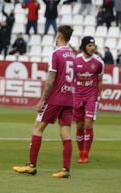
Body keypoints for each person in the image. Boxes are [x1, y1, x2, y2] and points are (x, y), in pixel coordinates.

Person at [13, 25, 76, 178]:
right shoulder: (73, 54)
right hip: (69, 98)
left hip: (56, 98)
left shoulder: (56, 54)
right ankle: (65, 169)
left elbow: (50, 81)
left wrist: (42, 100)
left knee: (37, 128)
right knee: (65, 132)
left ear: (59, 35)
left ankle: (31, 165)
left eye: (56, 35)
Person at [73, 36, 104, 164]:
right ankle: (80, 151)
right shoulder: (76, 60)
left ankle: (85, 154)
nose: (92, 48)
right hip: (77, 96)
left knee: (88, 124)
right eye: (89, 45)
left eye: (93, 45)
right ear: (84, 46)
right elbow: (71, 78)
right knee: (79, 125)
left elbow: (100, 80)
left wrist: (99, 97)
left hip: (91, 96)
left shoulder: (98, 62)